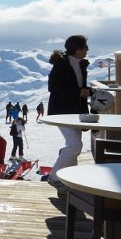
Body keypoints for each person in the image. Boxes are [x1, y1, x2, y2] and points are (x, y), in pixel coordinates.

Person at [46, 34, 92, 186]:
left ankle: (68, 180)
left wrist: (88, 91)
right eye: (85, 47)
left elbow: (78, 87)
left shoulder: (81, 64)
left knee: (74, 145)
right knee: (75, 145)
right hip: (61, 112)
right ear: (77, 49)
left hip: (75, 111)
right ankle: (54, 178)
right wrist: (78, 92)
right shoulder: (61, 64)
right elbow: (53, 87)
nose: (87, 49)